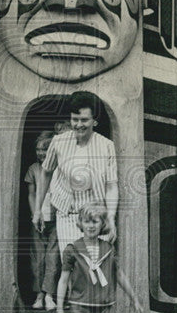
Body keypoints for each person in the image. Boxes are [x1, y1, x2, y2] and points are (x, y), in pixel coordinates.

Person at [33, 91, 118, 254]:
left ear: (95, 121)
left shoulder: (106, 146)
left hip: (96, 218)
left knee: (94, 270)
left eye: (84, 120)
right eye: (75, 119)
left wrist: (111, 217)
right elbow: (46, 173)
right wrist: (38, 210)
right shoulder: (58, 142)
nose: (79, 125)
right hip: (68, 216)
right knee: (71, 268)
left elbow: (111, 185)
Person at [24, 131, 59, 310]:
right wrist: (34, 216)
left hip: (56, 220)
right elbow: (31, 194)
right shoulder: (33, 169)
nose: (41, 153)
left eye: (45, 149)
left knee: (53, 258)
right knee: (38, 258)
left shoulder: (59, 168)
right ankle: (38, 295)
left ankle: (49, 296)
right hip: (38, 220)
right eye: (38, 149)